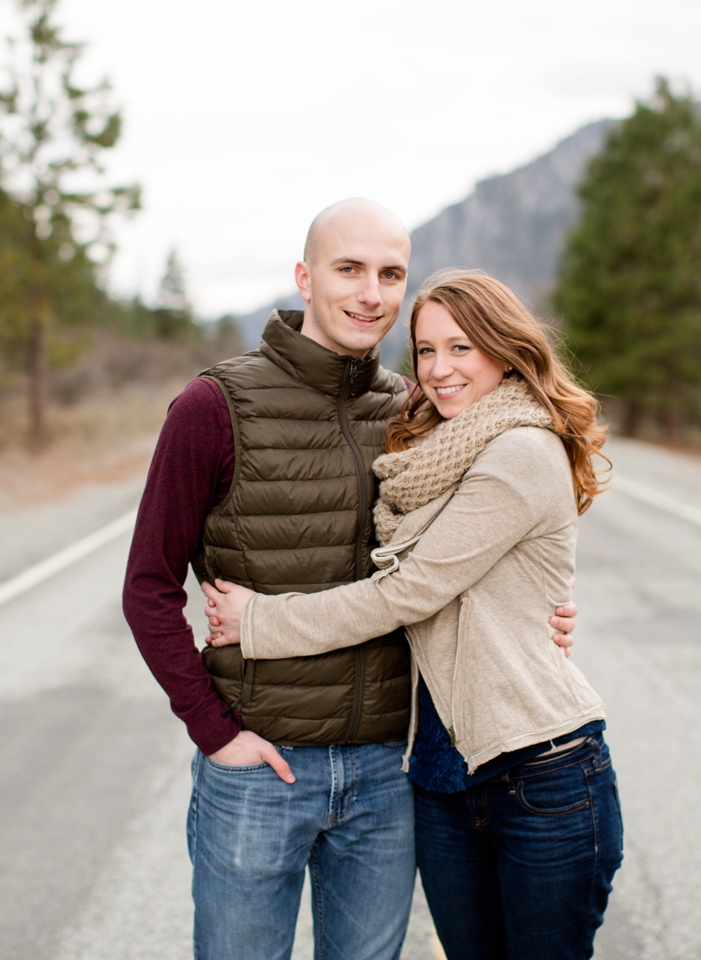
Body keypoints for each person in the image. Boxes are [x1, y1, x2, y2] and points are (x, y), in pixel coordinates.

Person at [120, 200, 578, 960]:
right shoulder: (213, 407)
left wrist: (544, 615)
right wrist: (214, 730)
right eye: (349, 269)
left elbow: (479, 551)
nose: (371, 293)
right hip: (258, 768)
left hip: (386, 774)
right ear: (305, 277)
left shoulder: (417, 408)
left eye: (391, 274)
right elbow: (147, 585)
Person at [203, 270, 624, 960]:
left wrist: (258, 623)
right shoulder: (432, 452)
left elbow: (406, 591)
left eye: (462, 348)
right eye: (425, 351)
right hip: (441, 774)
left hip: (539, 775)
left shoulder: (519, 449)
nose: (438, 369)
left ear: (506, 349)